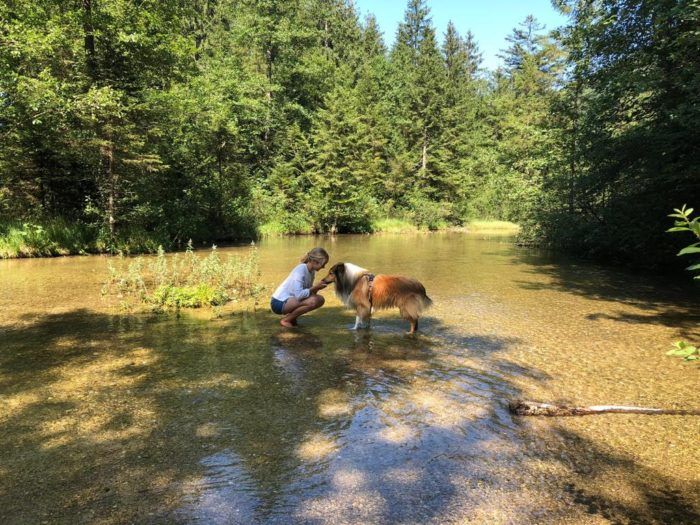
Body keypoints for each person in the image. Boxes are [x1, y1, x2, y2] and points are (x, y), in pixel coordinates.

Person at [270, 247, 329, 328]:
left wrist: (317, 288)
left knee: (319, 299)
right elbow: (299, 295)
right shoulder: (301, 269)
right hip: (278, 303)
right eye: (323, 264)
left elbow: (309, 294)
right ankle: (286, 320)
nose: (324, 267)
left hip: (289, 300)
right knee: (315, 300)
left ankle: (291, 318)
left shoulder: (312, 272)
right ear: (314, 261)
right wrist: (315, 287)